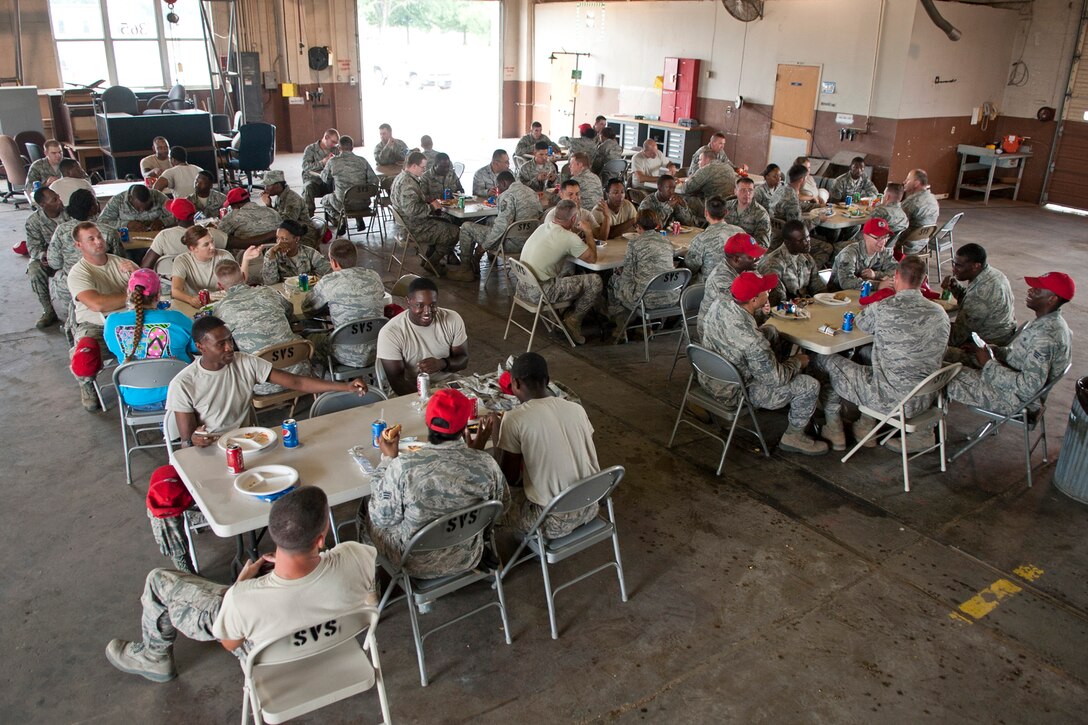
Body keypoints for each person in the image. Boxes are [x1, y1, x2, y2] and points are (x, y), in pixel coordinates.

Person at [105, 486, 377, 683]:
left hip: (274, 671)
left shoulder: (244, 598)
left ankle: (155, 657)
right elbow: (352, 577)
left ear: (273, 534)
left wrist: (240, 585)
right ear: (320, 540)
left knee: (158, 581)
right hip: (339, 653)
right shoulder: (357, 555)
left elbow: (230, 643)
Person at [361, 388, 508, 579]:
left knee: (367, 509)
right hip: (468, 554)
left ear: (427, 421)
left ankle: (370, 584)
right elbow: (501, 509)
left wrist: (388, 459)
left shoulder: (403, 468)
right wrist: (474, 455)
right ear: (465, 424)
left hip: (413, 563)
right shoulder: (487, 463)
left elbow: (382, 518)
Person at [814, 255, 950, 449]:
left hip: (889, 399)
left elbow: (861, 324)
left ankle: (833, 427)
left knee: (825, 358)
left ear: (896, 276)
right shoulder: (939, 313)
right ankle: (866, 426)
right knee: (868, 353)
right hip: (927, 397)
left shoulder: (885, 307)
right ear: (923, 279)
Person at [167, 316, 365, 444]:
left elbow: (298, 382)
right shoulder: (184, 384)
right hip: (211, 447)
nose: (229, 347)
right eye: (221, 344)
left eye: (230, 340)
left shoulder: (245, 362)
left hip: (247, 441)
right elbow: (187, 440)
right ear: (200, 346)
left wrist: (346, 386)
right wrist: (195, 439)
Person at [701, 271, 837, 455]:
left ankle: (783, 390)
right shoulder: (754, 342)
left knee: (771, 330)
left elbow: (743, 330)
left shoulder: (721, 303)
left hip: (709, 373)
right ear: (754, 300)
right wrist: (797, 362)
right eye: (765, 290)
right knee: (809, 385)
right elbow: (777, 379)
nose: (770, 290)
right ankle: (794, 437)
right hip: (735, 391)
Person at [495, 352, 601, 537]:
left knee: (491, 504)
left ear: (516, 384)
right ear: (548, 381)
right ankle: (531, 543)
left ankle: (521, 546)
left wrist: (498, 437)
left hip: (552, 520)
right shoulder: (576, 409)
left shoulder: (514, 418)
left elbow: (508, 479)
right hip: (591, 505)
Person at [947, 272, 1073, 417]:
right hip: (1009, 377)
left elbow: (1028, 387)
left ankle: (934, 434)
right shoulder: (1049, 321)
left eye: (1037, 290)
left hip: (1015, 400)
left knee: (940, 374)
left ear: (1052, 299)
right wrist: (992, 350)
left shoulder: (1046, 337)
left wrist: (988, 363)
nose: (1030, 290)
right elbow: (1019, 356)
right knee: (946, 354)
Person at [67, 222, 139, 410]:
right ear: (79, 245)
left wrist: (136, 273)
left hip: (131, 321)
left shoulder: (121, 264)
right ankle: (87, 383)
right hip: (96, 326)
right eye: (91, 239)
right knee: (84, 355)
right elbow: (97, 304)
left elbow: (148, 291)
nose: (98, 241)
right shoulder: (78, 273)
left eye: (99, 236)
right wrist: (131, 296)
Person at [212, 260, 310, 394]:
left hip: (261, 383)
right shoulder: (268, 292)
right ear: (244, 276)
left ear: (219, 286)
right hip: (301, 374)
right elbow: (289, 310)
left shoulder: (220, 309)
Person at [103, 268, 194, 409]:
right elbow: (196, 347)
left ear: (128, 293)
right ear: (158, 296)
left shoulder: (112, 322)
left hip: (135, 398)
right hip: (179, 396)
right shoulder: (177, 318)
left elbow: (113, 349)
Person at [519, 200, 604, 345]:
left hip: (522, 287)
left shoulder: (543, 227)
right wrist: (588, 232)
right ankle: (573, 321)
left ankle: (561, 317)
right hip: (541, 293)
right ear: (573, 219)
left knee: (563, 272)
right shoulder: (568, 237)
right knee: (595, 281)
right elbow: (592, 258)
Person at [302, 238, 386, 368]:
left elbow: (307, 308)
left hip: (343, 353)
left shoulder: (329, 281)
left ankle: (321, 381)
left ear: (334, 262)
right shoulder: (374, 276)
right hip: (377, 349)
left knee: (306, 338)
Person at [377, 277, 469, 395]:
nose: (427, 311)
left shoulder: (452, 319)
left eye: (432, 305)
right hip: (410, 390)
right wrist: (428, 400)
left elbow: (463, 360)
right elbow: (397, 382)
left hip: (448, 382)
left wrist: (442, 363)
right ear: (408, 302)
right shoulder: (391, 332)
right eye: (419, 305)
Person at [449, 170, 542, 282]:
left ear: (503, 183)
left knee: (466, 227)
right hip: (530, 243)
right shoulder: (531, 192)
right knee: (491, 220)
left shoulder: (507, 195)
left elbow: (501, 228)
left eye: (498, 186)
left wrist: (483, 247)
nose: (499, 189)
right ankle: (476, 262)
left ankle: (465, 271)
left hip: (510, 244)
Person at [606, 209, 680, 331]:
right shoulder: (666, 241)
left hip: (645, 300)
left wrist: (621, 272)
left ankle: (620, 323)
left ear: (638, 227)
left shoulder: (634, 243)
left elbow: (627, 276)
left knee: (614, 281)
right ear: (657, 225)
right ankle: (642, 324)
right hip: (671, 297)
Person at [47, 189, 125, 302]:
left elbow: (54, 263)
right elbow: (119, 260)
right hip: (101, 288)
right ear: (93, 208)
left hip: (68, 288)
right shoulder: (107, 232)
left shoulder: (61, 230)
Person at [941, 243, 1017, 358]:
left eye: (959, 266)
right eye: (954, 264)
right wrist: (956, 288)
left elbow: (957, 337)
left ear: (976, 266)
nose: (954, 269)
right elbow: (968, 301)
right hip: (1002, 333)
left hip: (989, 346)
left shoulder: (981, 292)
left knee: (933, 349)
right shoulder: (993, 274)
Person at [391, 152, 460, 274]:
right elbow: (412, 210)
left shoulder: (400, 177)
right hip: (414, 227)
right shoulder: (408, 184)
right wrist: (431, 207)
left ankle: (429, 257)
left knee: (445, 221)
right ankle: (432, 263)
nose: (424, 171)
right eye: (422, 168)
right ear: (413, 166)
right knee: (455, 232)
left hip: (406, 223)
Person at [697, 233, 765, 339]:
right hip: (717, 334)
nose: (758, 257)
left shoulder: (746, 269)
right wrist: (761, 304)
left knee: (772, 331)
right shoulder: (721, 280)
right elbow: (739, 311)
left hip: (734, 324)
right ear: (737, 259)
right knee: (769, 335)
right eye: (752, 255)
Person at [141, 198, 228, 270]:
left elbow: (145, 267)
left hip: (170, 284)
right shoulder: (209, 234)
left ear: (174, 217)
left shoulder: (164, 236)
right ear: (194, 215)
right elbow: (237, 242)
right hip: (206, 283)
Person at [25, 187, 68, 328]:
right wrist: (43, 255)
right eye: (54, 200)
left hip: (69, 256)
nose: (59, 201)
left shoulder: (69, 214)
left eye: (58, 197)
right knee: (34, 270)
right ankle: (48, 311)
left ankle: (76, 312)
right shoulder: (34, 221)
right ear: (43, 205)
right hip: (48, 259)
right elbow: (32, 247)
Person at [758, 220, 826, 306]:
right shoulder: (772, 265)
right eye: (801, 240)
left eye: (808, 237)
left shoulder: (807, 258)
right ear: (788, 243)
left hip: (806, 305)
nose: (807, 242)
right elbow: (778, 302)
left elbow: (818, 288)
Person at [321, 135, 379, 229]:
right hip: (364, 204)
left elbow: (325, 178)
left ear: (339, 148)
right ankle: (359, 219)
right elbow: (374, 181)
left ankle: (341, 219)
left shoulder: (333, 162)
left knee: (324, 200)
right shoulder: (362, 161)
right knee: (356, 194)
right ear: (352, 148)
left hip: (344, 205)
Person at [170, 226, 235, 307]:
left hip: (222, 303)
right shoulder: (182, 261)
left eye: (212, 241)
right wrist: (190, 299)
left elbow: (238, 283)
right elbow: (175, 290)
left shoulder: (224, 256)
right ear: (193, 249)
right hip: (195, 304)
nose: (212, 247)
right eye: (206, 244)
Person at [684, 196, 744, 283]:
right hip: (736, 283)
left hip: (709, 287)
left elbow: (691, 267)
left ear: (706, 213)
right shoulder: (740, 232)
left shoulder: (701, 238)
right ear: (726, 212)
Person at [831, 217, 897, 291]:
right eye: (878, 238)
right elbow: (846, 282)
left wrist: (876, 275)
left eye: (885, 237)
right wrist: (877, 285)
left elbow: (897, 271)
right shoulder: (849, 253)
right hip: (839, 295)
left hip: (866, 294)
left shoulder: (884, 252)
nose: (883, 242)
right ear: (865, 236)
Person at [260, 219, 332, 285]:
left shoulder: (310, 253)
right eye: (277, 238)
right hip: (283, 292)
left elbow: (328, 273)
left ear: (296, 239)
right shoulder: (272, 254)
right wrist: (272, 255)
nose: (279, 243)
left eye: (284, 239)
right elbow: (269, 283)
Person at [260, 170, 317, 246]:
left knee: (267, 243)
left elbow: (287, 223)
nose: (265, 188)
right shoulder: (280, 196)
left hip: (303, 236)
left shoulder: (293, 200)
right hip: (292, 232)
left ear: (278, 185)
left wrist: (269, 205)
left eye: (268, 185)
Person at [543, 179, 610, 243]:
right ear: (561, 195)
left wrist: (607, 217)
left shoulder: (586, 214)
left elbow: (602, 238)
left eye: (577, 194)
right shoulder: (553, 216)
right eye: (570, 194)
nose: (575, 198)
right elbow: (554, 243)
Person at [217, 187, 282, 246]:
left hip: (245, 255)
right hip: (274, 252)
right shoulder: (272, 211)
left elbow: (219, 237)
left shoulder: (232, 216)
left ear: (235, 206)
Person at [99, 185, 174, 232]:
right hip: (128, 241)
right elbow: (101, 222)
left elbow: (177, 216)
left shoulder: (158, 196)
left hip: (155, 238)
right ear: (130, 198)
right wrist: (125, 225)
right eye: (138, 207)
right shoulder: (118, 200)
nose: (142, 210)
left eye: (147, 207)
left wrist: (163, 222)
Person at [301, 128, 341, 214]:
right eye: (333, 142)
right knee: (307, 187)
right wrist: (322, 163)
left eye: (336, 143)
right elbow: (305, 166)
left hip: (330, 182)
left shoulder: (335, 150)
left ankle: (336, 215)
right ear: (326, 137)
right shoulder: (311, 149)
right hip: (315, 181)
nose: (334, 145)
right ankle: (309, 215)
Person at [724, 177, 771, 247]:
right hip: (724, 245)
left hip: (746, 251)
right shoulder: (726, 206)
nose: (747, 193)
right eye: (743, 190)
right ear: (735, 191)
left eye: (750, 190)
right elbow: (715, 228)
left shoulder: (761, 214)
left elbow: (763, 244)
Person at [901, 168, 940, 233]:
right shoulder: (933, 199)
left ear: (916, 183)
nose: (904, 182)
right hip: (924, 239)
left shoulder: (912, 202)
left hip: (906, 240)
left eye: (908, 180)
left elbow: (898, 221)